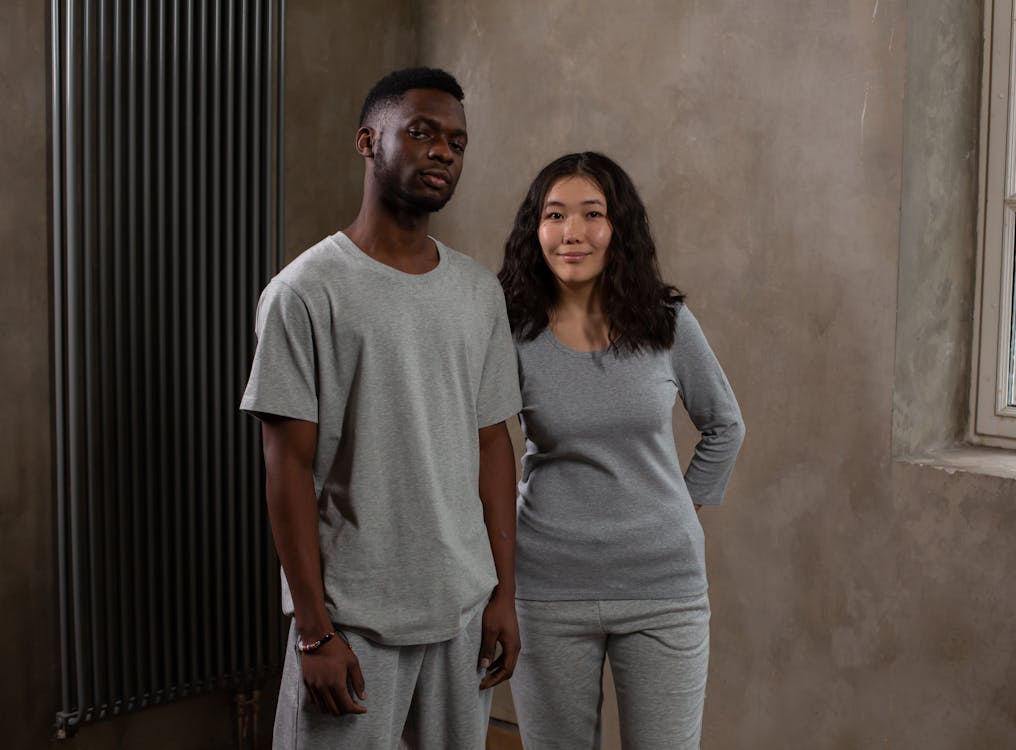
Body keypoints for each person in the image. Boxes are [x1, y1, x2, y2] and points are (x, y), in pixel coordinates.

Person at [240, 67, 522, 750]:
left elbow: (492, 445)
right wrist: (313, 630)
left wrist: (503, 595)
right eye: (421, 133)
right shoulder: (304, 292)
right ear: (368, 141)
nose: (442, 152)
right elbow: (287, 468)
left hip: (460, 611)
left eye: (456, 142)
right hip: (354, 621)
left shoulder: (477, 291)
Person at [498, 152, 745, 750]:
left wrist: (677, 511)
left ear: (619, 228)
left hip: (664, 590)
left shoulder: (665, 321)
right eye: (555, 215)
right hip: (547, 591)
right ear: (536, 229)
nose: (573, 232)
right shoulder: (509, 329)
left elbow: (724, 425)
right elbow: (475, 442)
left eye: (592, 214)